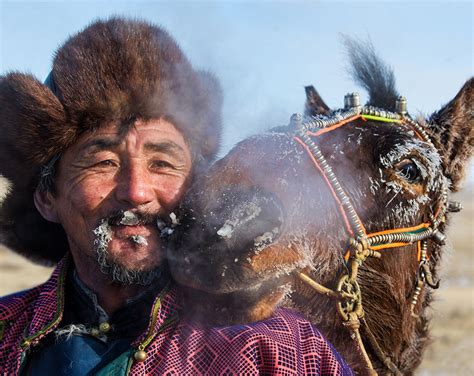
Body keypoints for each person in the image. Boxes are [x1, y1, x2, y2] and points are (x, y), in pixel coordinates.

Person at [0, 17, 352, 375]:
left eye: (163, 163)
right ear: (47, 197)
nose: (136, 191)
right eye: (103, 162)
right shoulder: (5, 334)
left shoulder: (278, 349)